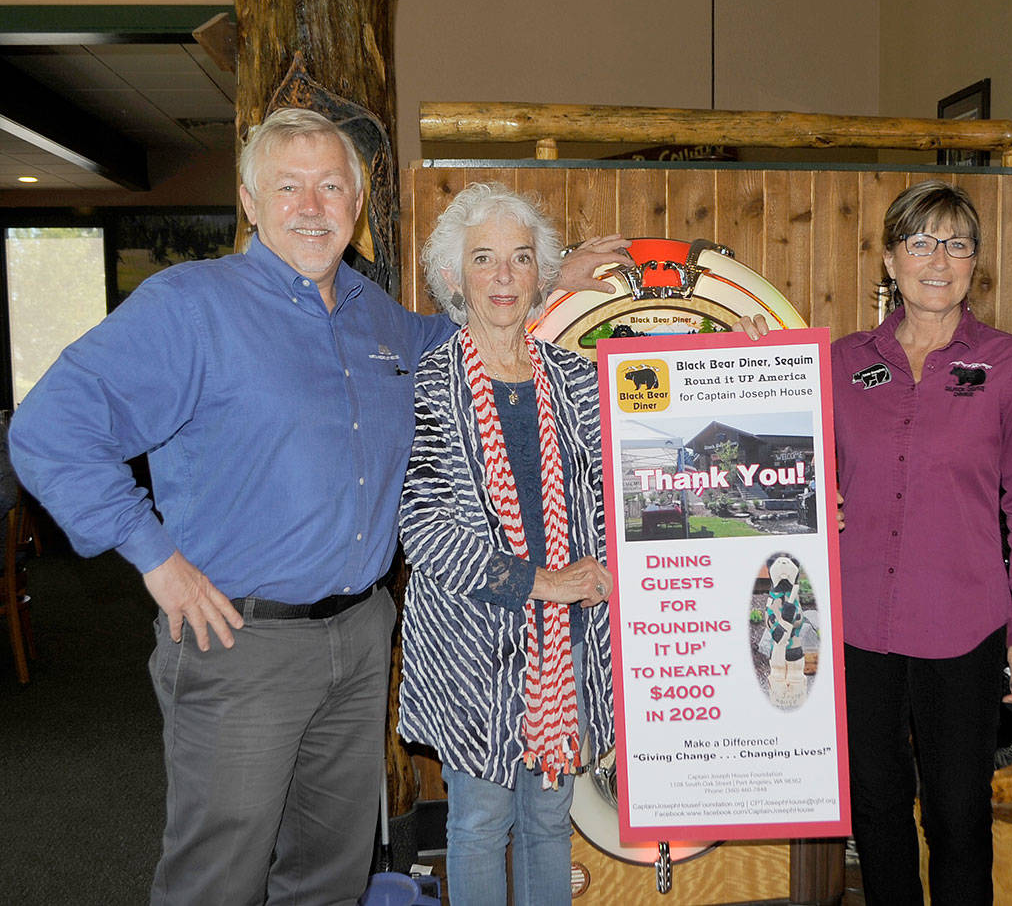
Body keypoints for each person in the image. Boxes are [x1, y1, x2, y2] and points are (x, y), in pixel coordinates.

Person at [8, 108, 629, 905]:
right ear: (249, 200)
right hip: (240, 642)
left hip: (360, 638)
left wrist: (552, 274)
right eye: (289, 186)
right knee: (217, 878)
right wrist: (155, 559)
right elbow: (49, 429)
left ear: (357, 204)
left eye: (331, 186)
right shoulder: (191, 306)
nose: (312, 205)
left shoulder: (379, 320)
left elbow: (478, 334)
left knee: (330, 876)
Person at [740, 180, 1012, 904]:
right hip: (856, 630)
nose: (938, 260)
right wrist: (755, 358)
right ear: (890, 260)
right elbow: (774, 455)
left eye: (956, 244)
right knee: (877, 814)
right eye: (919, 242)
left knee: (958, 820)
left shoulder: (1010, 364)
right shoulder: (838, 362)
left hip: (964, 629)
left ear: (974, 261)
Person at [396, 182, 615, 906]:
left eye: (520, 259)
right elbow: (424, 530)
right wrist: (543, 583)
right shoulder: (427, 382)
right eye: (484, 258)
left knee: (551, 819)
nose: (502, 276)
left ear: (538, 277)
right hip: (471, 649)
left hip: (565, 643)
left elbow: (630, 483)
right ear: (454, 276)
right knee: (482, 820)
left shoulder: (576, 378)